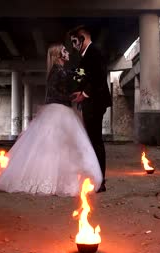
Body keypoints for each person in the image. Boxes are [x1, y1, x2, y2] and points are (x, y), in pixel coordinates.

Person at [0, 43, 102, 197]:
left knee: (62, 146)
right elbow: (53, 93)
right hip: (58, 110)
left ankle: (64, 179)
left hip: (62, 109)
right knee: (54, 146)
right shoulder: (56, 71)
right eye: (64, 51)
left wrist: (77, 88)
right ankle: (52, 181)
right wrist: (71, 97)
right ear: (59, 55)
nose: (67, 52)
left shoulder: (61, 70)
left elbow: (71, 81)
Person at [69, 25, 112, 193]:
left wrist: (84, 94)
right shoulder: (87, 55)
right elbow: (84, 75)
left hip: (95, 103)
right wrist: (76, 84)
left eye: (74, 41)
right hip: (91, 102)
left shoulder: (95, 52)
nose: (73, 45)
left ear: (82, 38)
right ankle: (96, 178)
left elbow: (99, 77)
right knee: (93, 141)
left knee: (95, 141)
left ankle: (100, 182)